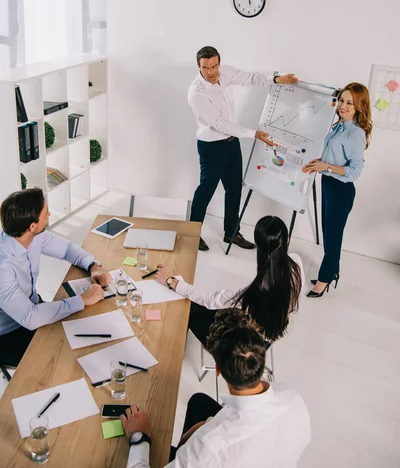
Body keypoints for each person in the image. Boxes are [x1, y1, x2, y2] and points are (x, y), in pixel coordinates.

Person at [121, 308, 311, 468]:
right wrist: (210, 423)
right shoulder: (292, 397)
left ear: (217, 370)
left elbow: (215, 444)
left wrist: (139, 436)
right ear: (263, 359)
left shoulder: (209, 446)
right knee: (200, 402)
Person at [188, 45, 298, 251]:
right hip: (211, 147)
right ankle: (192, 235)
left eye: (214, 66)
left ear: (219, 63)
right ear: (198, 66)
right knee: (206, 190)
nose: (211, 72)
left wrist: (275, 79)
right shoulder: (196, 93)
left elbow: (249, 78)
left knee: (234, 188)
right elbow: (220, 123)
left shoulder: (225, 72)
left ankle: (231, 233)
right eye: (206, 68)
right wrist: (253, 133)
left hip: (232, 143)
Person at [0, 187, 111, 366]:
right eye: (45, 212)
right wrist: (82, 300)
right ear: (32, 226)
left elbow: (67, 249)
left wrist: (93, 266)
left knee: (87, 332)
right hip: (9, 335)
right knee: (65, 359)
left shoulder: (32, 236)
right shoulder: (2, 267)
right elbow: (30, 317)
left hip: (33, 307)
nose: (49, 213)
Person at [156, 215, 304, 347]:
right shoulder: (296, 263)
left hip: (245, 344)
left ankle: (173, 351)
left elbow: (211, 300)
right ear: (287, 240)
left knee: (189, 307)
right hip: (271, 334)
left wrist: (173, 282)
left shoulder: (256, 291)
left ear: (259, 248)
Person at [302, 82, 372, 298]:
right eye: (341, 100)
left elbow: (354, 171)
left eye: (349, 103)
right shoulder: (339, 125)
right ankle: (333, 271)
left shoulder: (355, 133)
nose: (343, 106)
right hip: (328, 184)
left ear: (359, 106)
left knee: (333, 238)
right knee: (329, 233)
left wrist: (328, 167)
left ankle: (324, 280)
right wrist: (321, 162)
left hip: (341, 190)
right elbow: (335, 154)